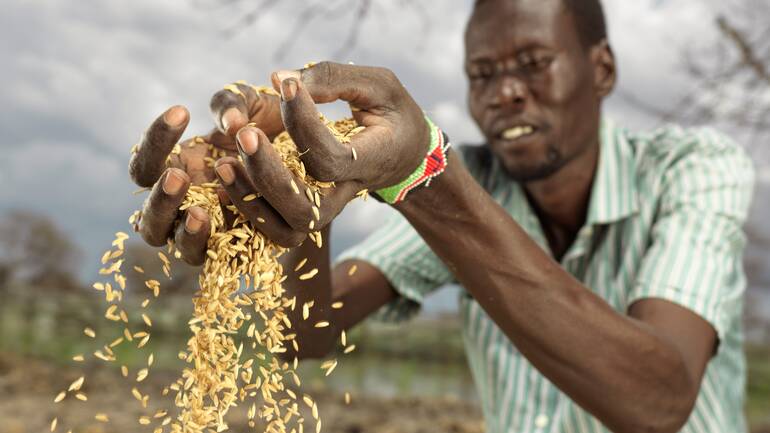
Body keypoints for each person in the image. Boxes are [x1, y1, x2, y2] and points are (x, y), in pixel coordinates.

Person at [128, 0, 755, 431]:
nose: (505, 91)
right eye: (482, 74)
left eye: (534, 64)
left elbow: (658, 398)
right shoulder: (478, 181)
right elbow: (305, 333)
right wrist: (295, 194)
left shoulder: (691, 169)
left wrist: (423, 173)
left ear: (602, 70)